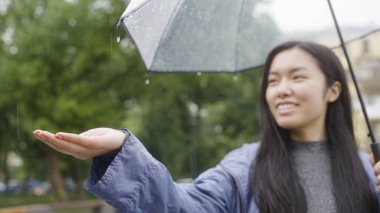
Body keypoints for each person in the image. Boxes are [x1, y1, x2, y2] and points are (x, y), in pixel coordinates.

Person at [33, 41, 380, 213]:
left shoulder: (368, 171)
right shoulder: (245, 167)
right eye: (272, 80)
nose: (281, 89)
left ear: (334, 90)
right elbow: (185, 208)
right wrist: (121, 151)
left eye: (297, 76)